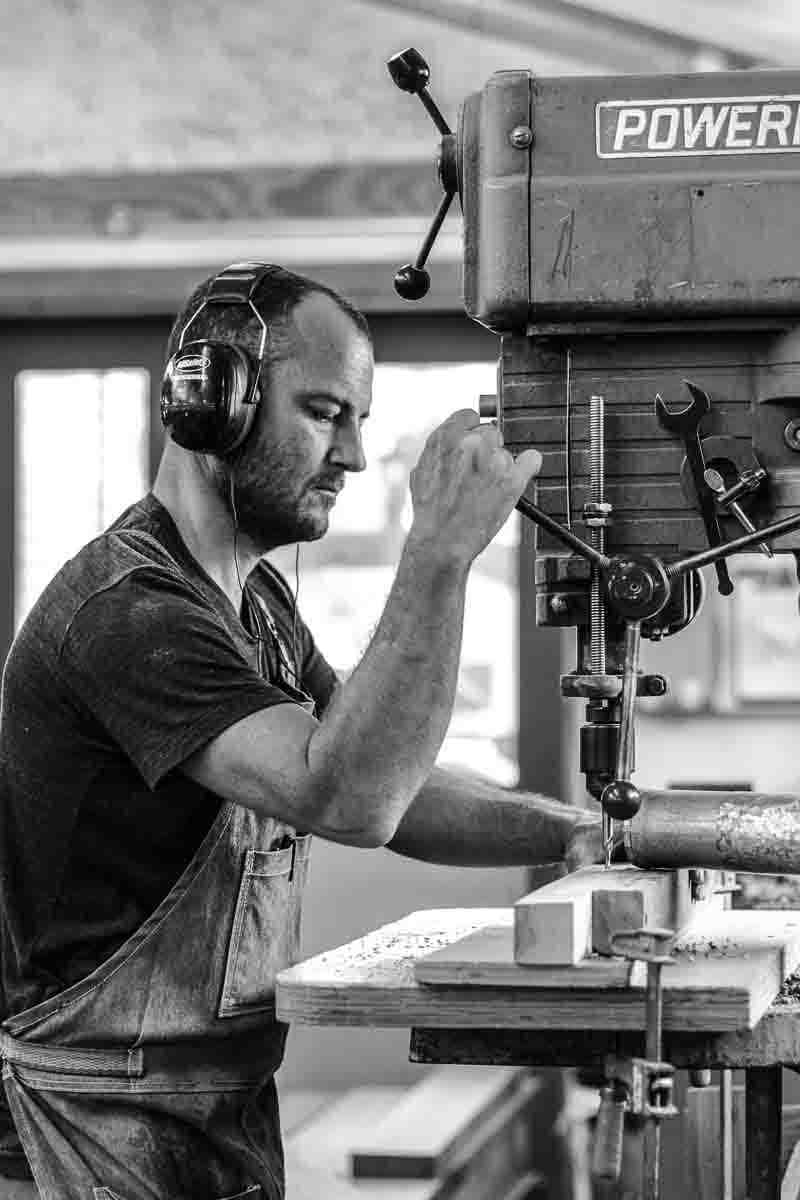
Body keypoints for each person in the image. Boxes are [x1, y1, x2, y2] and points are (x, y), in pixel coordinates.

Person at [0, 261, 601, 1199]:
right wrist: (438, 554)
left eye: (359, 420)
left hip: (208, 1116)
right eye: (325, 413)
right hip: (81, 1135)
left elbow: (387, 785)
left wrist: (567, 832)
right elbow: (345, 796)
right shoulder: (129, 614)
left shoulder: (256, 603)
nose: (355, 457)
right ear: (213, 405)